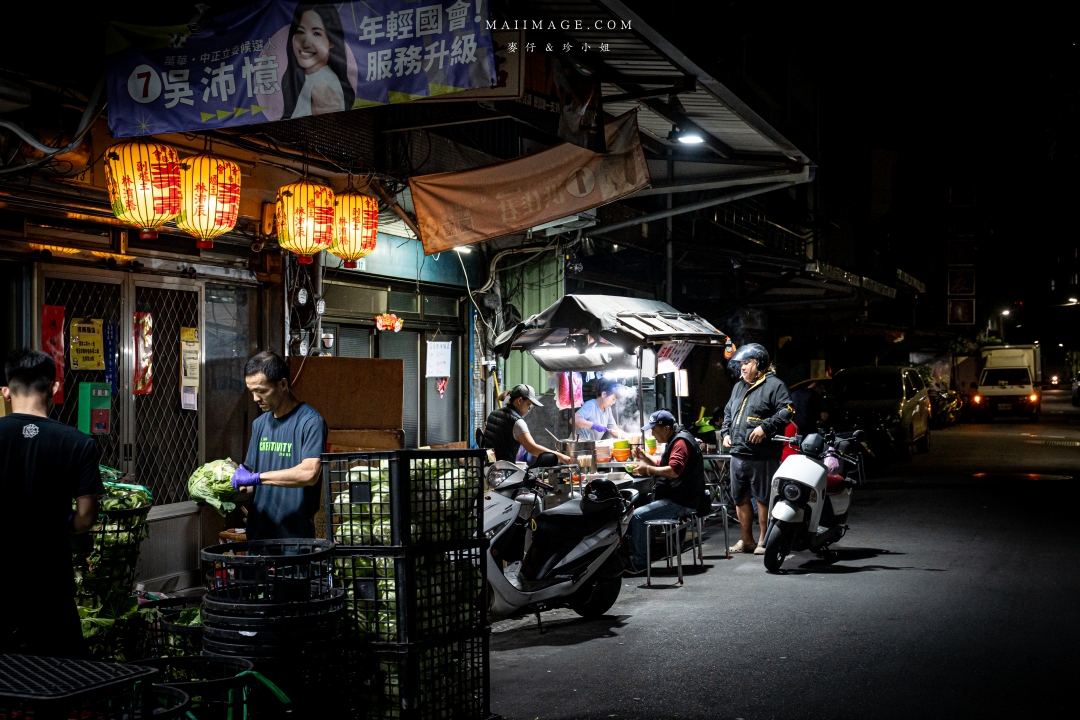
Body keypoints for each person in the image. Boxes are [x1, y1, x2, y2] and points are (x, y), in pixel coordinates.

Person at [0, 349, 101, 658]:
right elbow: (85, 518)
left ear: (5, 392)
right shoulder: (79, 443)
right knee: (61, 670)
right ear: (55, 389)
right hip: (49, 575)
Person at [233, 351, 327, 540]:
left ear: (283, 384)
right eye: (252, 391)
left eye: (261, 391)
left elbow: (308, 474)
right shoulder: (259, 424)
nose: (255, 399)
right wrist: (225, 491)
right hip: (258, 536)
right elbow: (254, 485)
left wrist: (257, 477)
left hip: (295, 539)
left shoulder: (310, 422)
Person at [720, 343, 794, 555]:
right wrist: (726, 433)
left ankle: (764, 540)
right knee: (740, 498)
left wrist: (765, 427)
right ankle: (747, 540)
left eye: (747, 363)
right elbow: (728, 412)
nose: (742, 368)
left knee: (763, 499)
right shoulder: (738, 387)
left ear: (759, 364)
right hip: (737, 454)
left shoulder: (774, 385)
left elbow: (787, 410)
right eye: (741, 364)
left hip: (762, 455)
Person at [624, 410, 706, 576]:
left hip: (682, 501)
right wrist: (644, 457)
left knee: (638, 516)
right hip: (677, 496)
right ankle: (635, 556)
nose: (652, 434)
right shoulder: (675, 439)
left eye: (654, 430)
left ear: (667, 429)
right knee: (632, 507)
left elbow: (674, 471)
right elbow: (664, 464)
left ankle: (640, 564)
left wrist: (647, 469)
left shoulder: (681, 443)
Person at [281, 4, 355, 119]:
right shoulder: (308, 79)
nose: (305, 44)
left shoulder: (322, 87)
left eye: (316, 33)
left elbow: (329, 129)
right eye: (300, 31)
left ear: (332, 41)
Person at [482, 384, 572, 464]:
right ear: (519, 401)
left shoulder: (493, 414)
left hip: (489, 469)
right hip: (504, 473)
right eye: (528, 404)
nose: (529, 409)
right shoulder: (517, 422)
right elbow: (532, 448)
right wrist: (559, 456)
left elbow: (485, 435)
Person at [575, 377, 625, 441]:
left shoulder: (608, 409)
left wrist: (631, 437)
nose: (614, 402)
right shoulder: (591, 405)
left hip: (591, 446)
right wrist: (593, 425)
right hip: (579, 445)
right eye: (613, 399)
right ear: (604, 394)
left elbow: (614, 430)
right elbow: (574, 420)